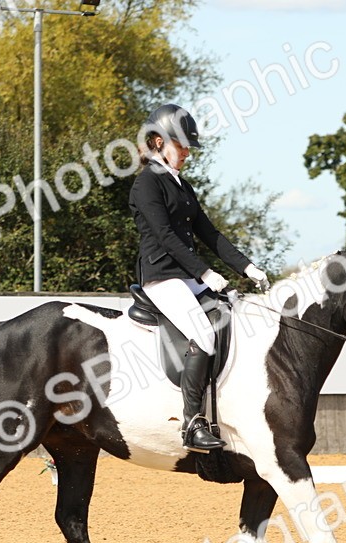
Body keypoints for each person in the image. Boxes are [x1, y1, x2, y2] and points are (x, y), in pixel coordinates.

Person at [128, 103, 270, 453]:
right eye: (181, 146)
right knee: (204, 335)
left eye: (188, 147)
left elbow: (209, 233)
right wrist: (204, 272)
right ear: (158, 142)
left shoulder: (182, 186)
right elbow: (166, 237)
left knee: (234, 318)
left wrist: (247, 267)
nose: (187, 153)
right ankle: (192, 423)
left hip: (187, 277)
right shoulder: (147, 184)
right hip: (162, 278)